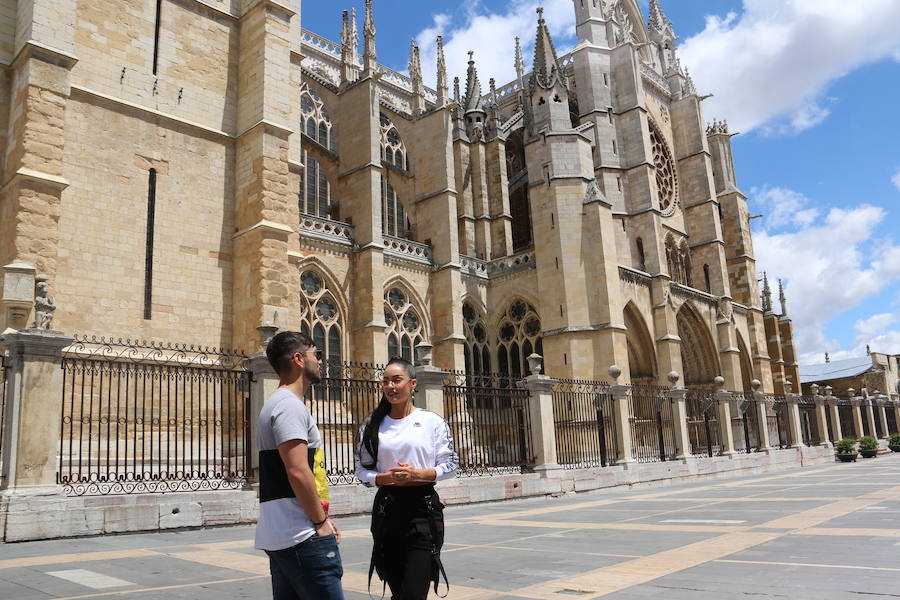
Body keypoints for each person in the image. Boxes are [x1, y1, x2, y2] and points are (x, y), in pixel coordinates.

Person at [355, 357, 459, 599]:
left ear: (412, 384)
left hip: (423, 510)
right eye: (386, 381)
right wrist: (384, 479)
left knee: (414, 593)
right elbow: (361, 470)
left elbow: (452, 464)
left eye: (397, 380)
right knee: (398, 590)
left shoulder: (431, 422)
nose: (391, 386)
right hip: (387, 511)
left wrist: (419, 474)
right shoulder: (371, 426)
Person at [255, 331, 344, 600]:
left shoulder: (277, 404)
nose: (320, 361)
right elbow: (297, 470)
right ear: (298, 359)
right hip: (300, 534)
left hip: (285, 531)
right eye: (316, 354)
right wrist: (320, 521)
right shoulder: (288, 406)